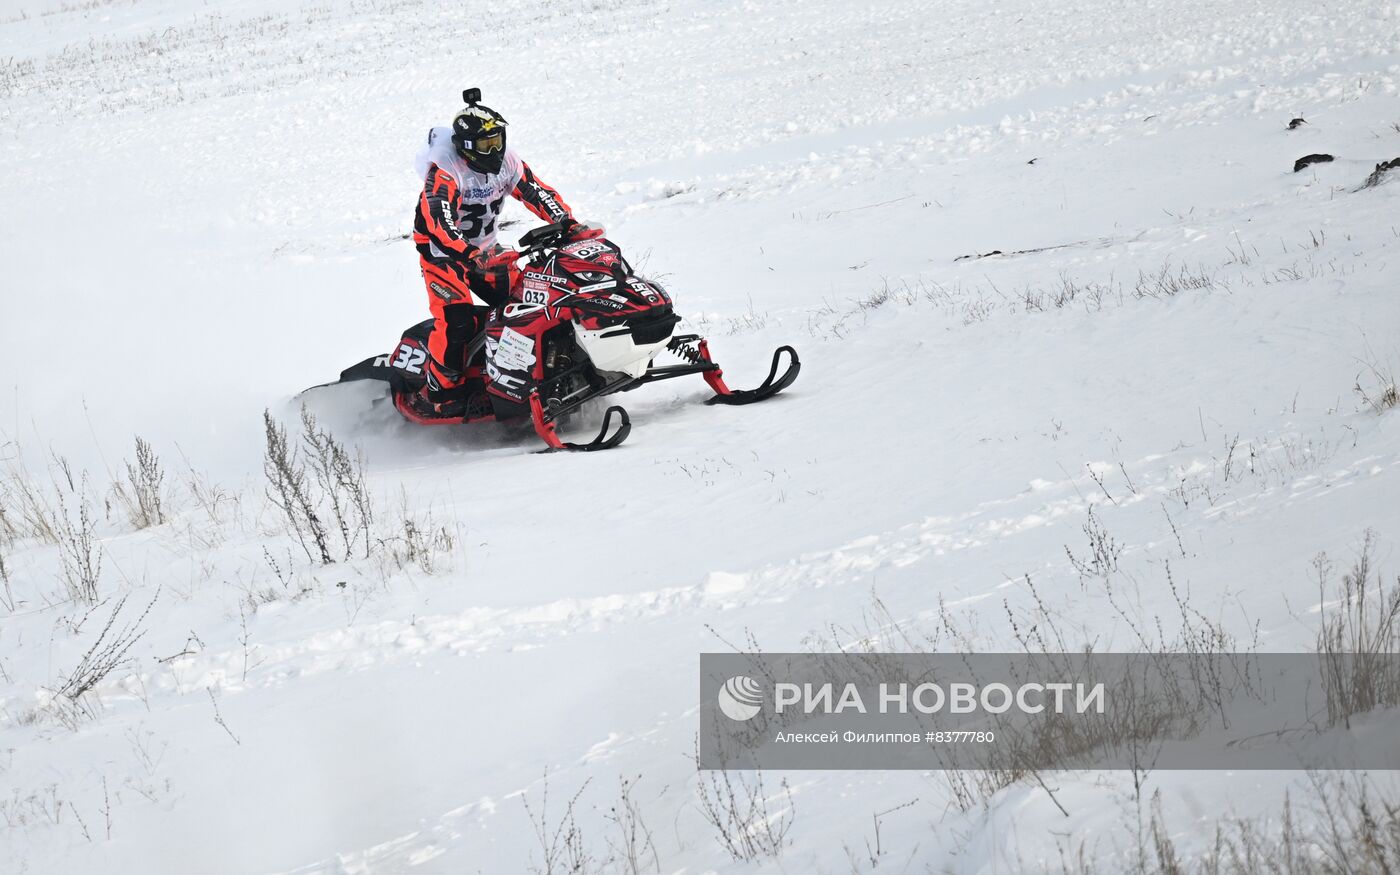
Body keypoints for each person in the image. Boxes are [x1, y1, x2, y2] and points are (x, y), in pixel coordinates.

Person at [410, 88, 581, 416]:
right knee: (457, 320)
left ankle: (528, 373)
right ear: (467, 147)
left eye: (499, 140)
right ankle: (442, 391)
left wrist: (567, 223)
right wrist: (467, 254)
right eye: (487, 144)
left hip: (487, 254)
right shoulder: (446, 172)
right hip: (444, 255)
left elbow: (536, 192)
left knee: (529, 304)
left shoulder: (508, 161)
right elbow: (439, 218)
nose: (496, 150)